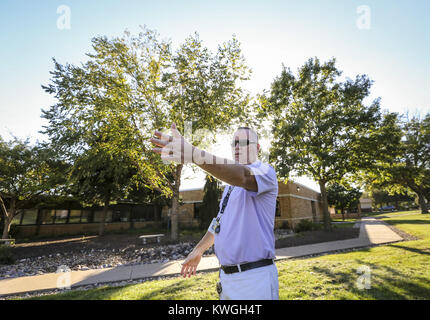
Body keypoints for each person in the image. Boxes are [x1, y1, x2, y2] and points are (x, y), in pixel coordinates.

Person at [151, 123, 279, 300]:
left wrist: (193, 154)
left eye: (243, 142)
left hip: (255, 279)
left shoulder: (266, 172)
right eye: (233, 143)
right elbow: (218, 223)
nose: (236, 147)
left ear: (257, 147)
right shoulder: (229, 188)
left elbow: (242, 175)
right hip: (226, 279)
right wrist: (198, 250)